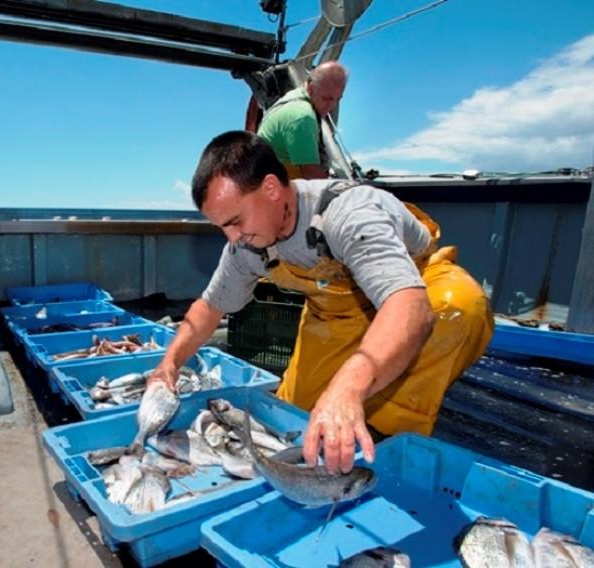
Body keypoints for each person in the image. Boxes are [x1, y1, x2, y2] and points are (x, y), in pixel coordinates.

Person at [148, 130, 494, 475]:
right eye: (222, 227)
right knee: (294, 422)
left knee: (459, 307)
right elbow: (210, 307)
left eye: (236, 221)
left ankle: (385, 437)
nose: (232, 237)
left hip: (415, 287)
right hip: (336, 312)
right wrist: (169, 364)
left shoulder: (349, 214)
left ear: (271, 189)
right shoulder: (247, 245)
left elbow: (409, 308)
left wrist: (347, 389)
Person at [257, 61, 347, 180]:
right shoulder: (303, 117)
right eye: (326, 98)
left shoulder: (294, 96)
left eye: (337, 99)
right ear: (310, 87)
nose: (331, 105)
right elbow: (311, 173)